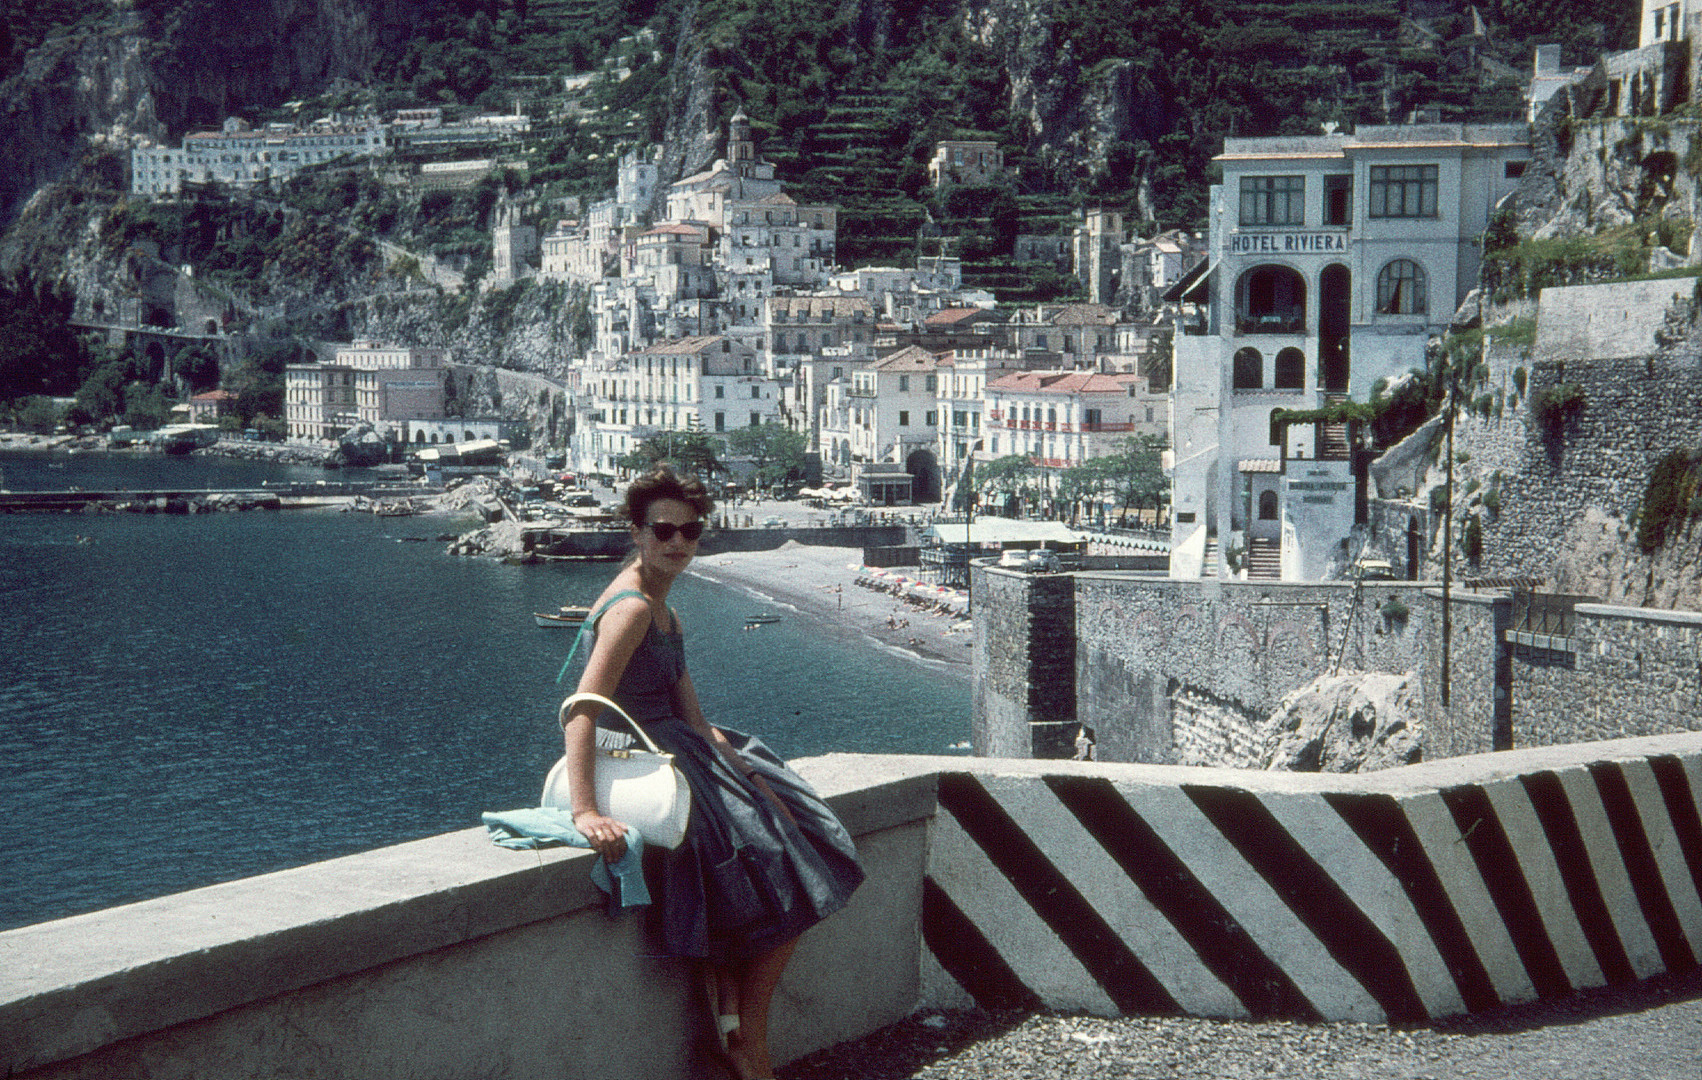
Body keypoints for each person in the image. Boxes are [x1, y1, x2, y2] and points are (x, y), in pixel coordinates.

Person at [561, 467, 864, 1080]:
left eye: (690, 531)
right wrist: (585, 811)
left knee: (795, 837)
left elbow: (697, 721)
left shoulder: (665, 613)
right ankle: (748, 1041)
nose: (678, 542)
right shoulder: (632, 610)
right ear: (637, 532)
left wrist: (754, 779)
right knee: (785, 875)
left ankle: (736, 1024)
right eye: (664, 530)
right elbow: (581, 709)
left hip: (687, 755)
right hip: (658, 765)